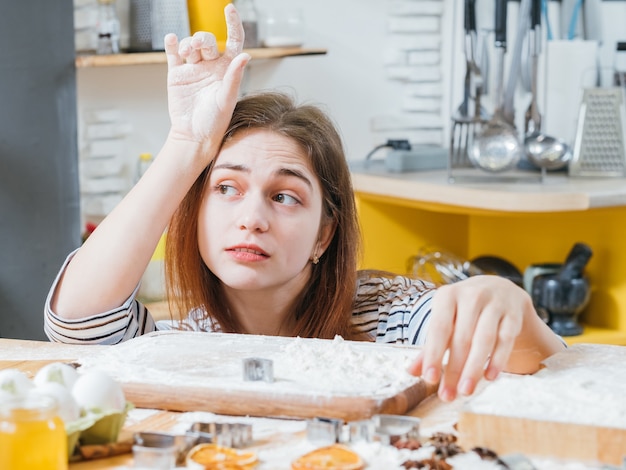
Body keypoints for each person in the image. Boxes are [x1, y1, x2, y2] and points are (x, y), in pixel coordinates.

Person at [44, 4, 564, 402]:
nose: (251, 219)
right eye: (226, 188)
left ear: (324, 233)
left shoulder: (391, 323)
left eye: (285, 196)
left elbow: (532, 358)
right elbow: (77, 325)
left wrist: (505, 300)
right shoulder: (186, 342)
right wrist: (187, 145)